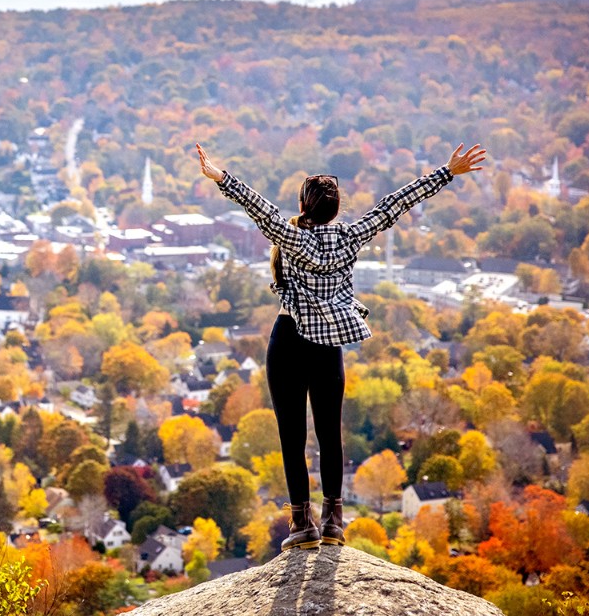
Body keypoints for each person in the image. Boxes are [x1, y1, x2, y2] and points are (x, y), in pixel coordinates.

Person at [195, 142, 486, 550]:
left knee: (292, 438)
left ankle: (303, 524)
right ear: (335, 208)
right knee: (330, 436)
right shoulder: (351, 237)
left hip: (289, 343)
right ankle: (333, 521)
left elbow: (257, 207)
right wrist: (447, 172)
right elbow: (393, 206)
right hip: (328, 346)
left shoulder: (292, 238)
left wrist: (220, 176)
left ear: (304, 204)